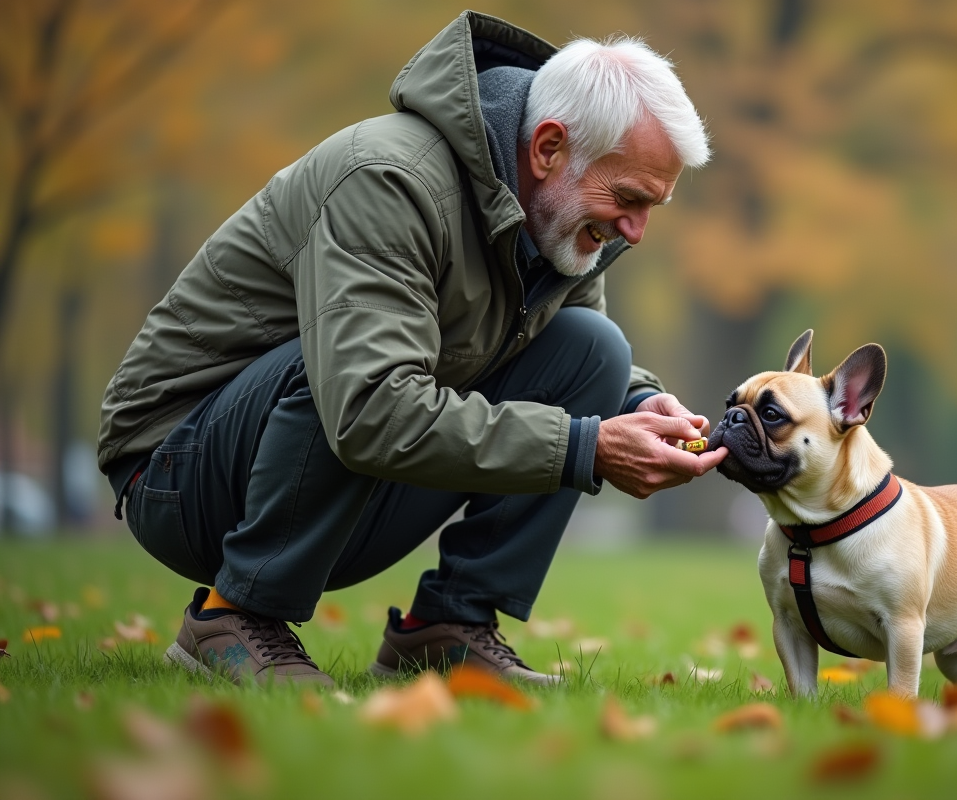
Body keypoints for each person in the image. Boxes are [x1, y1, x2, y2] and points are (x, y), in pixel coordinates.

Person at [96, 11, 726, 688]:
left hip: (336, 466)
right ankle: (231, 618)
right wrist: (588, 446)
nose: (636, 231)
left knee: (595, 348)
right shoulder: (388, 178)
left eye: (653, 206)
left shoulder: (554, 215)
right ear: (548, 147)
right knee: (348, 366)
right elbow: (367, 404)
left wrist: (638, 404)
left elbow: (572, 349)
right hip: (177, 476)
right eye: (628, 197)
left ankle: (447, 628)